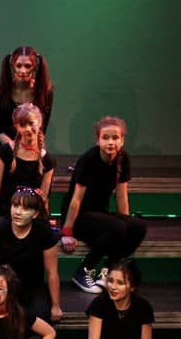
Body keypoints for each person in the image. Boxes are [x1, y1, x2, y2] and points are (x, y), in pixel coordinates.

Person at [60, 116, 146, 293]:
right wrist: (67, 232)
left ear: (122, 140)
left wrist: (127, 223)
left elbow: (121, 195)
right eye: (105, 137)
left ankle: (108, 272)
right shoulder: (89, 160)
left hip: (100, 215)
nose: (110, 142)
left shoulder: (123, 158)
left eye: (115, 138)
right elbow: (76, 200)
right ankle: (83, 272)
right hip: (79, 217)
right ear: (97, 140)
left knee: (138, 226)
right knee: (117, 227)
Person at [0, 187, 62, 323]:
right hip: (2, 287)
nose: (18, 212)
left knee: (40, 317)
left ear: (35, 214)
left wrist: (56, 306)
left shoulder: (43, 232)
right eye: (15, 206)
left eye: (25, 208)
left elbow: (52, 273)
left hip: (32, 288)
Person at [0, 102, 55, 228]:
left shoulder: (47, 160)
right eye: (22, 125)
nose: (28, 129)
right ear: (16, 126)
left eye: (31, 123)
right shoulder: (4, 152)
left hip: (31, 215)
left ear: (40, 123)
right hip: (6, 213)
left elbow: (43, 198)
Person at [0, 46, 54, 151]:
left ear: (35, 67)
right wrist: (17, 148)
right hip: (8, 146)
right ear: (12, 66)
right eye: (18, 66)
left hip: (33, 145)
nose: (23, 70)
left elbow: (42, 129)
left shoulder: (45, 92)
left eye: (27, 66)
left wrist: (31, 148)